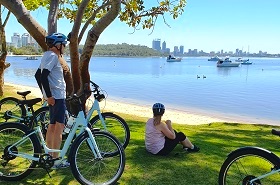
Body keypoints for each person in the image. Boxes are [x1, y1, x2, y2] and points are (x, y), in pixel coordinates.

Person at [34, 33, 69, 169]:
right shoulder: (53, 57)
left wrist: (45, 94)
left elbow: (38, 75)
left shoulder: (47, 56)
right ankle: (56, 160)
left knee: (52, 127)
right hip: (57, 97)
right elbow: (43, 76)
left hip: (54, 97)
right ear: (58, 45)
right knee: (58, 128)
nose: (65, 47)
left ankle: (50, 156)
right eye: (64, 44)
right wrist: (48, 95)